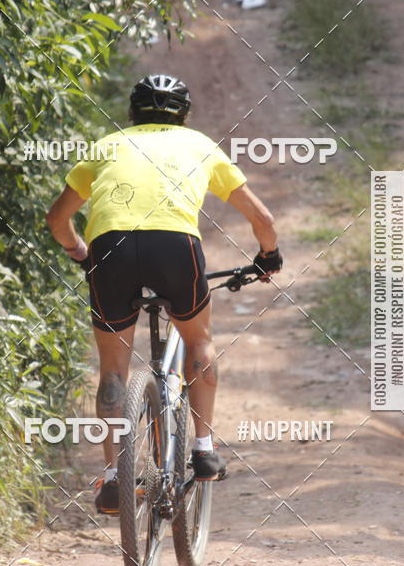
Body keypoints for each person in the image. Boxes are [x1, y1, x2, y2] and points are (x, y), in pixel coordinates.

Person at [46, 74, 282, 514]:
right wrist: (268, 256)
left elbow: (57, 218)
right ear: (185, 115)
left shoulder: (106, 147)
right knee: (198, 340)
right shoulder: (200, 146)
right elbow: (262, 218)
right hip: (174, 247)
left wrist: (79, 253)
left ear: (132, 113)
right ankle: (205, 449)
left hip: (110, 247)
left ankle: (116, 477)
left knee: (112, 370)